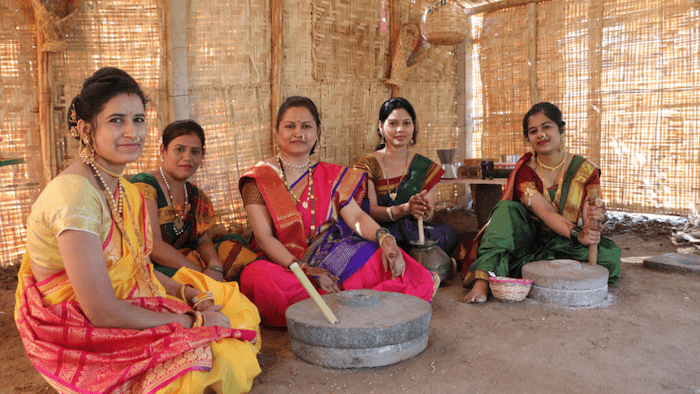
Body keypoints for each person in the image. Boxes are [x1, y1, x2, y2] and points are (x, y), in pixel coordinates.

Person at [14, 67, 261, 394]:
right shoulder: (74, 197)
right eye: (117, 120)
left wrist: (189, 295)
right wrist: (192, 321)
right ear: (87, 129)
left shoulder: (123, 190)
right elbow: (101, 311)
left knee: (229, 302)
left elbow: (137, 267)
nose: (133, 131)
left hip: (120, 299)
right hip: (79, 322)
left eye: (139, 120)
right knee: (221, 361)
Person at [238, 96, 439, 327]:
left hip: (330, 256)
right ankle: (351, 302)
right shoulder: (259, 178)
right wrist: (306, 269)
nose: (298, 133)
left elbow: (356, 217)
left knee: (379, 256)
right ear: (277, 131)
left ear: (317, 131)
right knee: (258, 278)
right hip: (282, 264)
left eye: (306, 126)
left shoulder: (330, 175)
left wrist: (384, 238)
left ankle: (328, 306)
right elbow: (264, 239)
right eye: (290, 126)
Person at [457, 102, 621, 303]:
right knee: (505, 210)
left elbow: (592, 210)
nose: (540, 135)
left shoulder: (585, 169)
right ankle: (482, 282)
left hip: (566, 242)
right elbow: (544, 211)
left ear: (561, 129)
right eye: (533, 131)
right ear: (529, 138)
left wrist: (594, 220)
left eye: (547, 127)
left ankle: (514, 267)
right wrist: (578, 234)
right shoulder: (526, 170)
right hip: (530, 238)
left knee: (609, 256)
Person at [131, 120, 257, 282]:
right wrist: (202, 274)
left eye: (195, 152)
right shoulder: (145, 184)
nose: (187, 157)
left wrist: (214, 265)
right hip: (155, 266)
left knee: (233, 244)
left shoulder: (195, 194)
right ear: (163, 150)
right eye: (180, 149)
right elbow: (153, 246)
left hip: (188, 260)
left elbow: (203, 239)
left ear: (202, 155)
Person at [353, 97, 458, 255]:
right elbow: (368, 211)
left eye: (406, 123)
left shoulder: (424, 167)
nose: (400, 129)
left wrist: (421, 210)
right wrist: (402, 209)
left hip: (412, 231)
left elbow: (428, 217)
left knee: (449, 234)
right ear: (381, 127)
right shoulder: (366, 164)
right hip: (378, 230)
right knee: (371, 245)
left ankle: (416, 261)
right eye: (393, 123)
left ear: (414, 127)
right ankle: (427, 263)